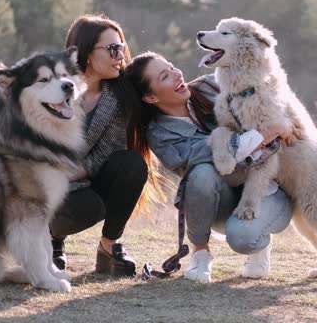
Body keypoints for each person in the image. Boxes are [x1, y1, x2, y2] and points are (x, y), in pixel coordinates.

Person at [124, 52, 300, 282]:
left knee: (245, 239)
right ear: (150, 98)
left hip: (267, 188)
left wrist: (284, 122)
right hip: (219, 201)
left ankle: (259, 244)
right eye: (165, 76)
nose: (177, 75)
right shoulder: (160, 133)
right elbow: (217, 153)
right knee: (201, 173)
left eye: (172, 66)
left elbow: (267, 96)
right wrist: (271, 131)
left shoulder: (212, 85)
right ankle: (200, 254)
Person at [50, 15, 165, 277]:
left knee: (131, 165)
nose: (120, 56)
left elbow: (109, 151)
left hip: (83, 179)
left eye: (121, 48)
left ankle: (108, 246)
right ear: (87, 54)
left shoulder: (119, 96)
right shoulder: (52, 87)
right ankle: (49, 241)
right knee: (73, 202)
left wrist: (78, 170)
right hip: (41, 181)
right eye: (112, 49)